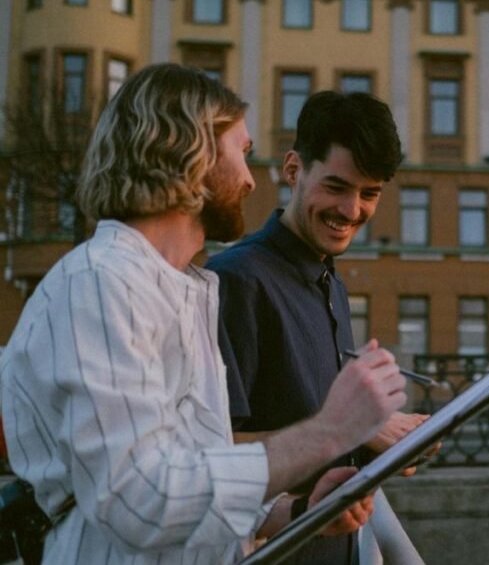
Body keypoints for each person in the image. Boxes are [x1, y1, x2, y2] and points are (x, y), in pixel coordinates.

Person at [0, 64, 407, 564]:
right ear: (187, 153)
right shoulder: (99, 282)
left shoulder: (184, 289)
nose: (251, 181)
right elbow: (141, 500)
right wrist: (330, 431)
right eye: (242, 152)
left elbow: (198, 470)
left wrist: (298, 511)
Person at [208, 90, 431, 565]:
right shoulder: (237, 280)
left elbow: (318, 439)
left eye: (369, 193)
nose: (352, 211)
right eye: (336, 187)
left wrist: (388, 446)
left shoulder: (331, 279)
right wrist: (361, 427)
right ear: (293, 170)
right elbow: (212, 453)